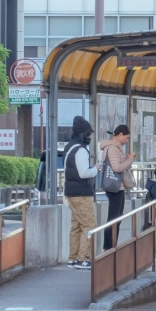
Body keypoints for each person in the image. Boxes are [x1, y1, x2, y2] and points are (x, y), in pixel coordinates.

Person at [64, 116, 100, 270]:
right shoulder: (80, 150)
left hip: (71, 192)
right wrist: (96, 169)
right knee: (89, 224)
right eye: (89, 134)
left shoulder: (69, 146)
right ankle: (82, 259)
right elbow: (84, 173)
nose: (90, 136)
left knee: (77, 226)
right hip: (81, 193)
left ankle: (72, 259)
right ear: (84, 134)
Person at [99, 124, 136, 250]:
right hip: (114, 187)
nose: (126, 140)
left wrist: (127, 158)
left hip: (117, 186)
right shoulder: (113, 148)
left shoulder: (117, 147)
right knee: (114, 218)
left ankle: (112, 245)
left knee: (117, 218)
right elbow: (117, 167)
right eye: (126, 137)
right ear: (120, 135)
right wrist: (129, 159)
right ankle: (109, 246)